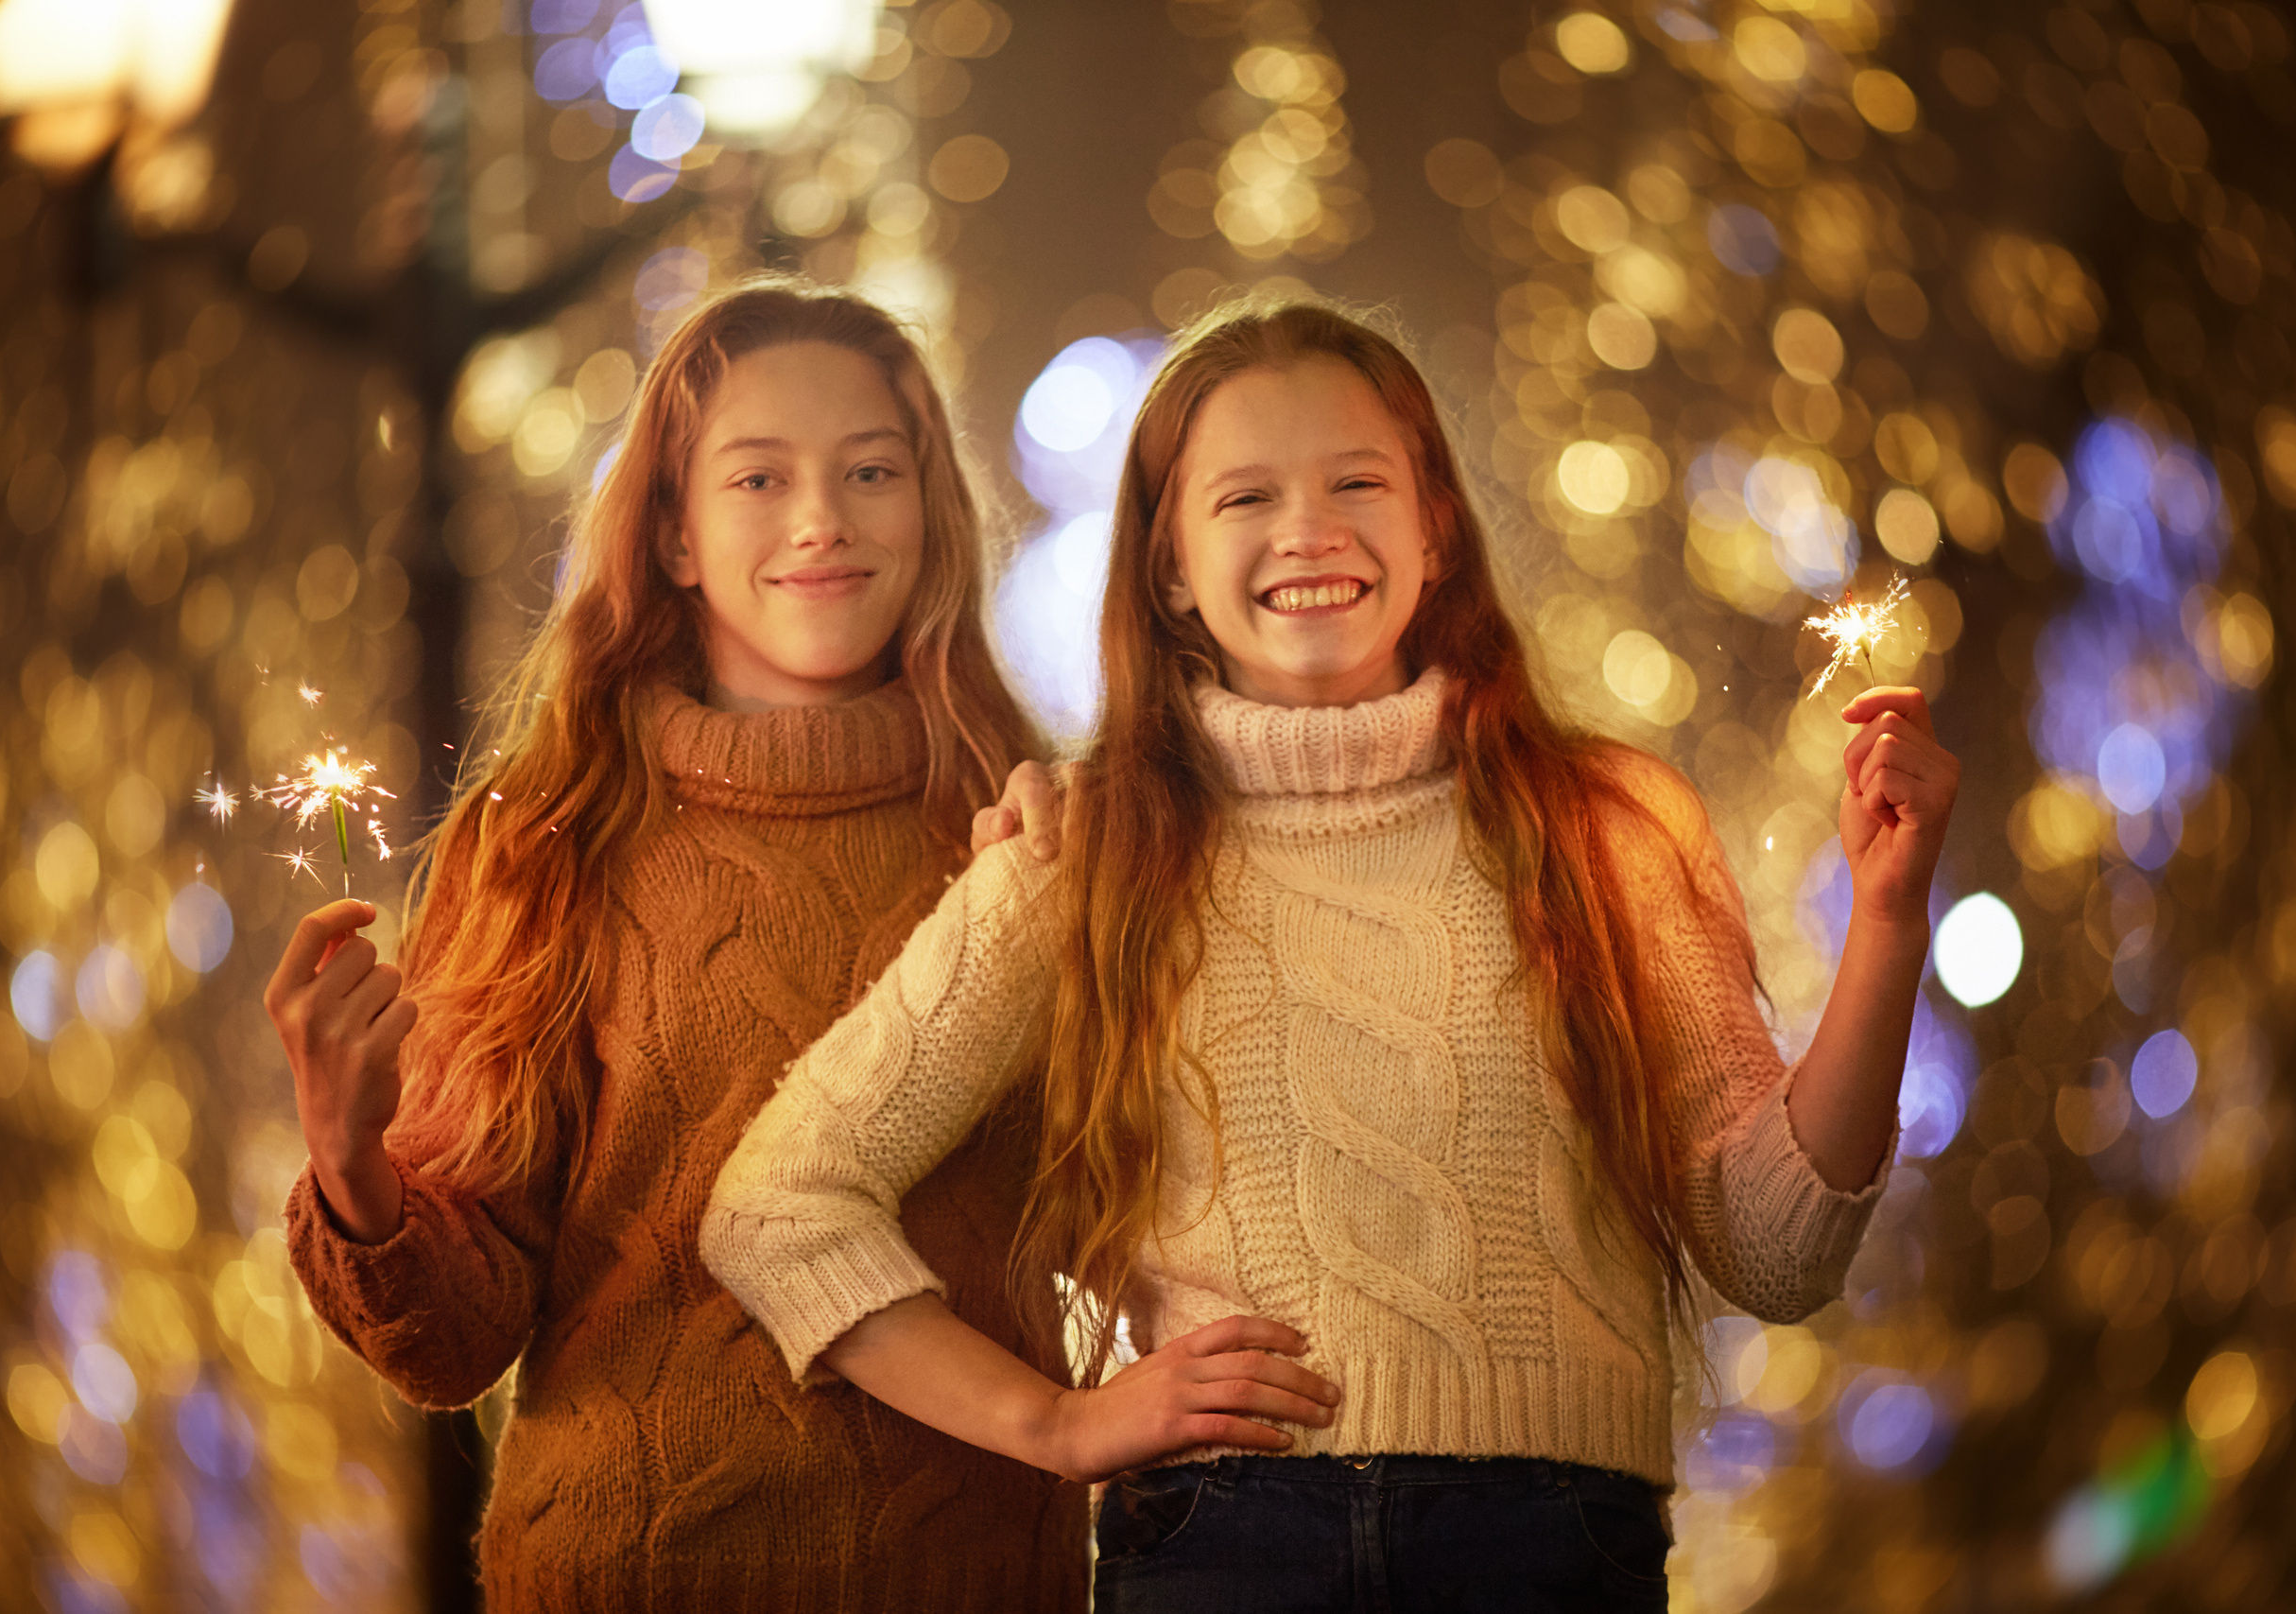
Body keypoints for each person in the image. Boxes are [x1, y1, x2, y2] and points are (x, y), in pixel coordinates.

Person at [701, 297, 1959, 1613]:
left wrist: (1887, 922)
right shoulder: (1082, 855)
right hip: (1225, 1547)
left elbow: (1776, 1254)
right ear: (1170, 568)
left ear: (1435, 531)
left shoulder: (1607, 826)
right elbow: (780, 1206)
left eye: (1357, 483)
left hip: (1547, 1556)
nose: (1307, 529)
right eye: (1246, 497)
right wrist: (1055, 1424)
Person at [264, 279, 1085, 1612]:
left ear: (930, 511)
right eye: (759, 478)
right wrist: (355, 1169)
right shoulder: (546, 840)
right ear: (675, 535)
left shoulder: (1030, 827)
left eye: (871, 471)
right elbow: (452, 1351)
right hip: (625, 1576)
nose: (822, 519)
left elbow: (1125, 1216)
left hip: (980, 1579)